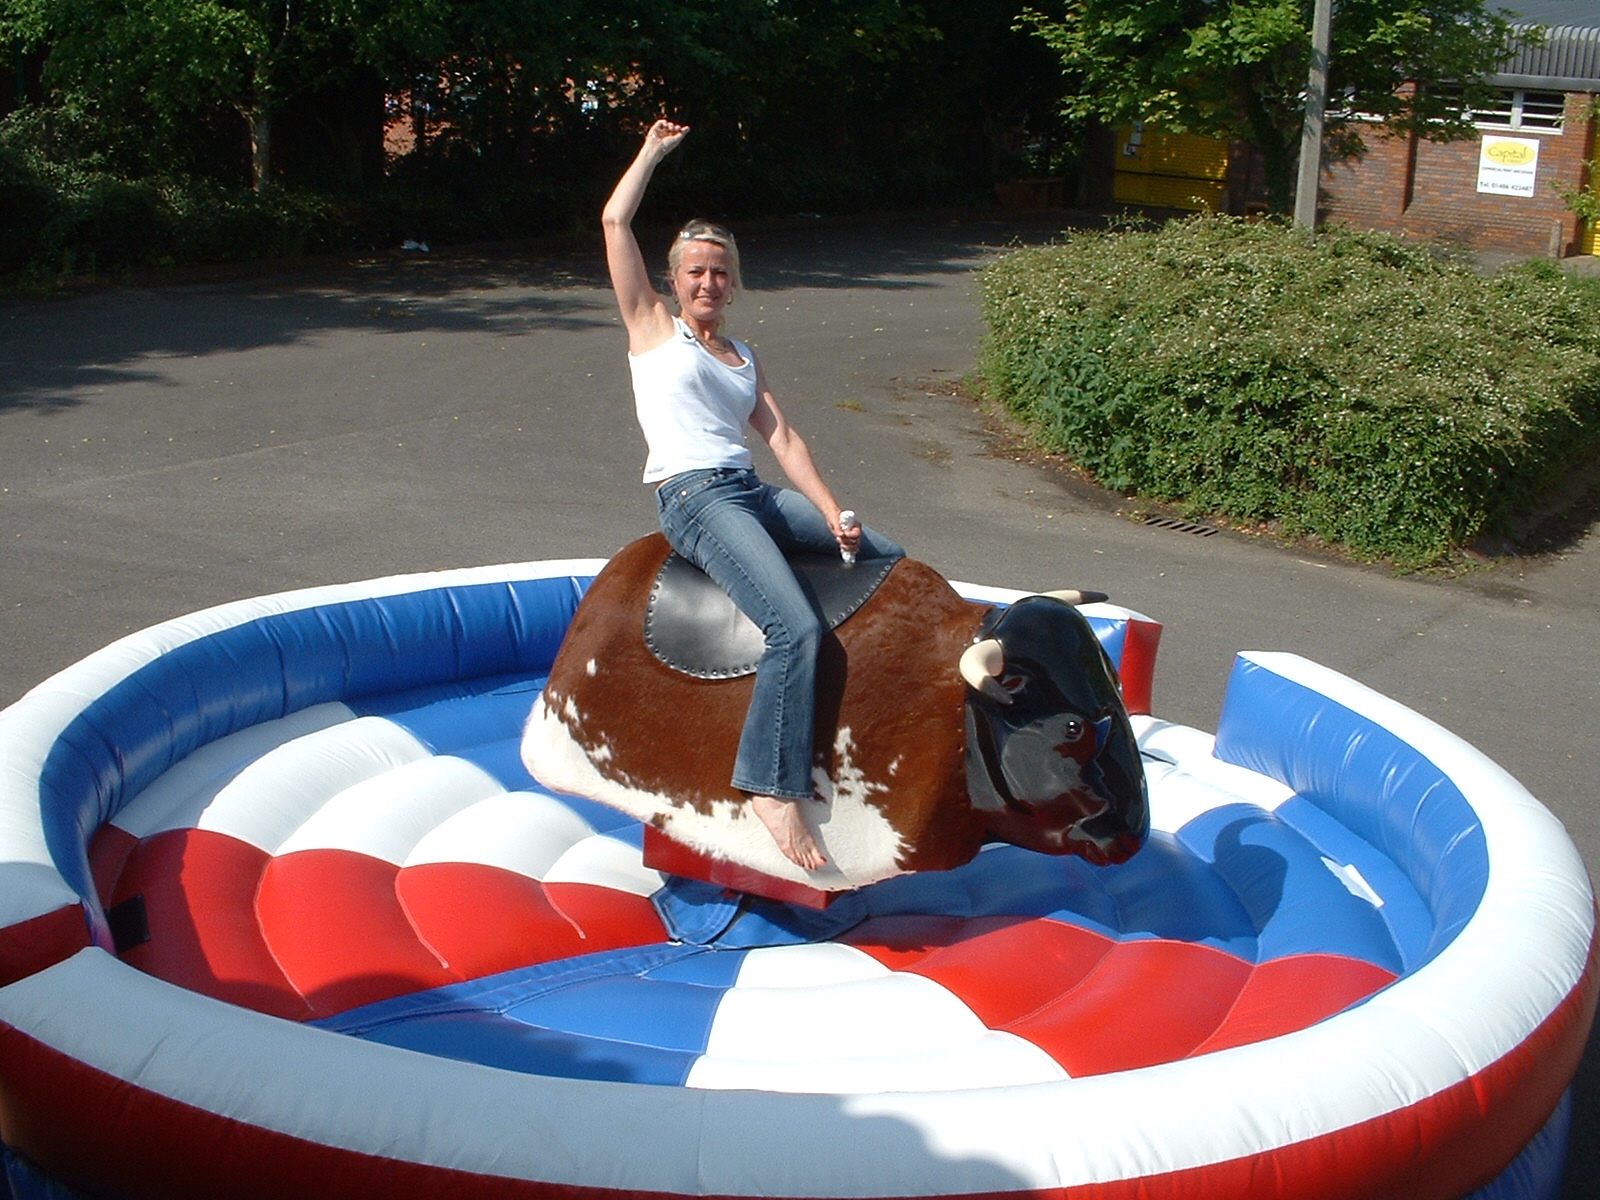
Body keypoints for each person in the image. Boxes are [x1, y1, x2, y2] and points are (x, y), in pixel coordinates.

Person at [602, 117, 904, 871]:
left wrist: (834, 512)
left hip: (751, 489)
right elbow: (614, 219)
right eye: (695, 271)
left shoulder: (743, 355)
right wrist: (650, 153)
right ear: (674, 280)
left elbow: (785, 439)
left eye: (720, 272)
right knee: (793, 629)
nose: (708, 282)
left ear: (733, 283)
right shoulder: (650, 330)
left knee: (886, 556)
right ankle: (770, 786)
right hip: (696, 500)